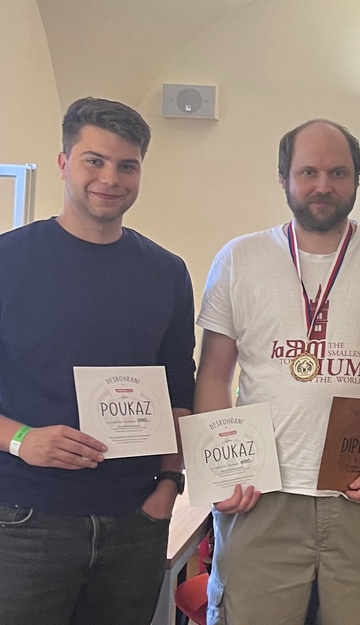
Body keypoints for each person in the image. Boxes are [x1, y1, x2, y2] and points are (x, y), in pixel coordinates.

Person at [195, 119, 360, 624]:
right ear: (284, 178)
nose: (323, 185)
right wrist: (225, 473)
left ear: (356, 178)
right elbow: (214, 375)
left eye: (338, 172)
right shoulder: (239, 259)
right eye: (308, 172)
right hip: (261, 497)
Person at [0, 97, 196, 624]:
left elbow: (180, 388)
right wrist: (22, 439)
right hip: (24, 520)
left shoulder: (167, 272)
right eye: (94, 161)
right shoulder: (7, 261)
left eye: (127, 165)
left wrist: (169, 484)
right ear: (63, 163)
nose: (110, 179)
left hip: (134, 521)